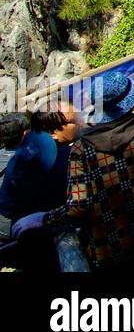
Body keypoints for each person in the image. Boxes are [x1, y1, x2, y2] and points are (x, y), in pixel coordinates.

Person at [23, 71, 134, 271]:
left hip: (112, 242)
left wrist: (43, 218)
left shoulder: (82, 149)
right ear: (129, 102)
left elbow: (78, 206)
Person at [0, 104, 79, 272]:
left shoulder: (20, 158)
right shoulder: (65, 157)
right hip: (47, 231)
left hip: (20, 228)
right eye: (73, 121)